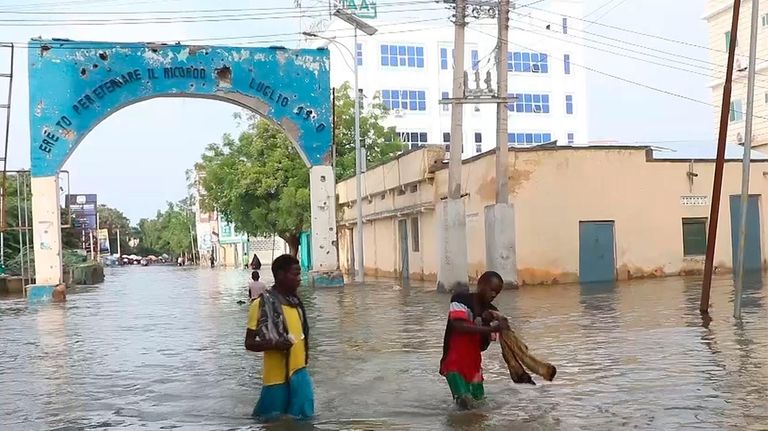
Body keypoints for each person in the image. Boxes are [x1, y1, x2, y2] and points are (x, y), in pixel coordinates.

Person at [244, 254, 314, 421]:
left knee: (305, 422)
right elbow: (249, 343)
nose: (299, 279)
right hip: (276, 380)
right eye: (295, 274)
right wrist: (274, 344)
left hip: (300, 374)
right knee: (270, 421)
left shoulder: (296, 303)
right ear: (281, 275)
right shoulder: (260, 304)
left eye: (299, 274)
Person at [439, 271, 509, 409]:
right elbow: (458, 325)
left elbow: (483, 346)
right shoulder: (460, 299)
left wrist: (487, 324)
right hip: (454, 362)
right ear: (480, 284)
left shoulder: (493, 312)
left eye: (497, 292)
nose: (494, 295)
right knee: (464, 402)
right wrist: (491, 329)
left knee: (479, 406)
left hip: (474, 365)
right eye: (492, 290)